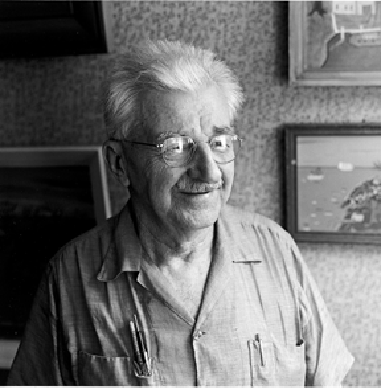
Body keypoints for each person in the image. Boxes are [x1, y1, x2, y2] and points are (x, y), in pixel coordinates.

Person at [7, 40, 354, 386]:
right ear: (119, 163)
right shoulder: (69, 276)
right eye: (174, 147)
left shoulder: (277, 249)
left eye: (219, 143)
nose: (209, 172)